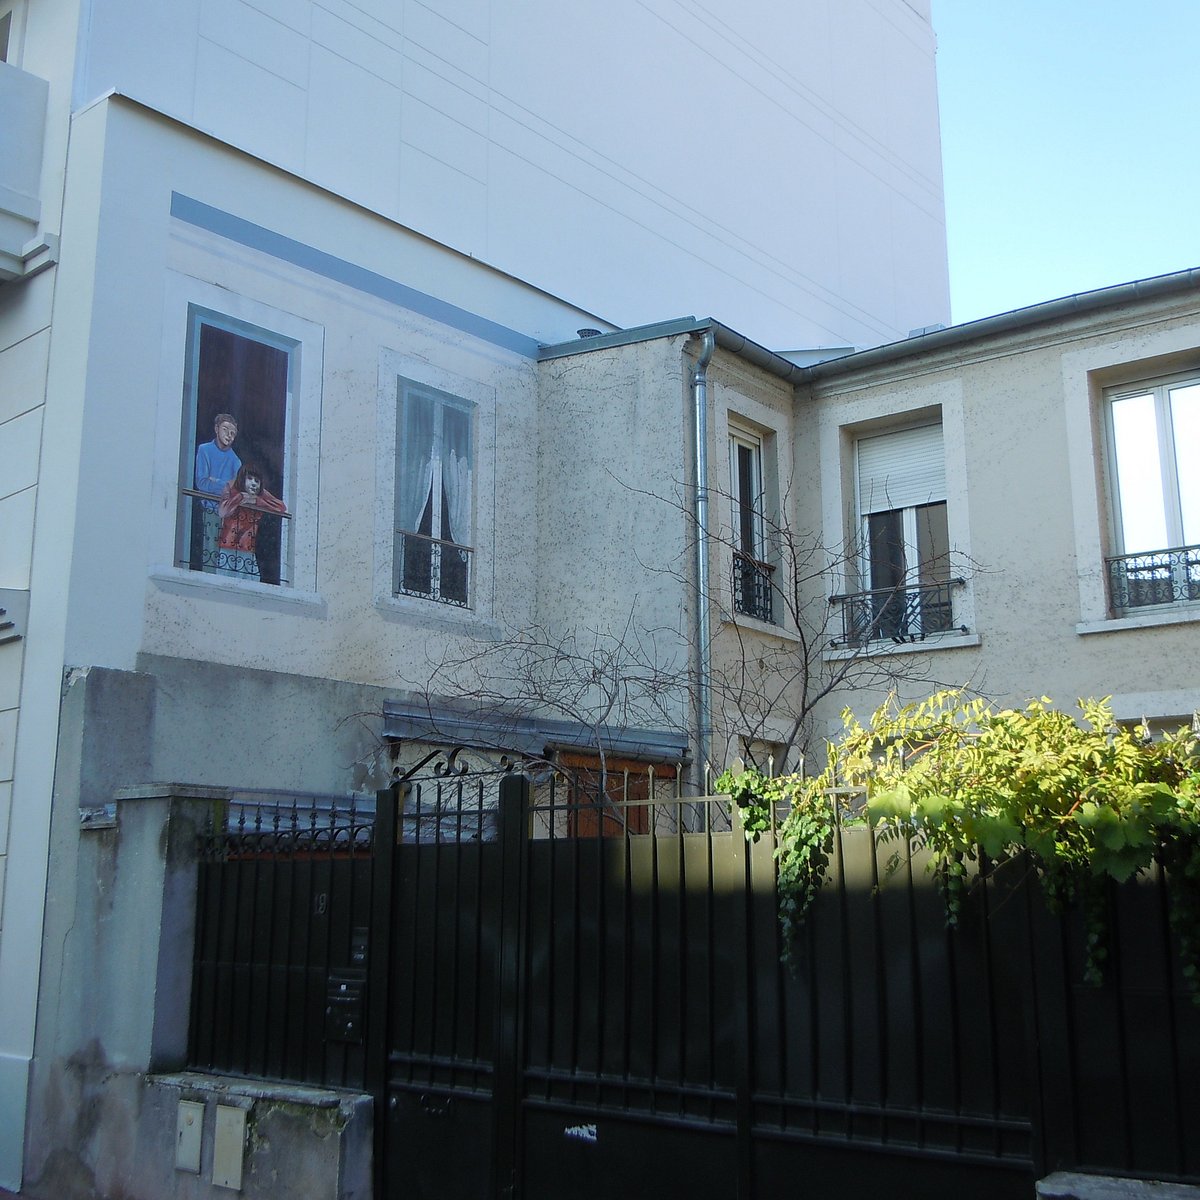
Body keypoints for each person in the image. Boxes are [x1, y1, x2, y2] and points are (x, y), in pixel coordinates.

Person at [217, 463, 287, 580]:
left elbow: (281, 507)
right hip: (228, 546)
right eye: (249, 479)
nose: (254, 483)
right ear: (241, 479)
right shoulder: (230, 486)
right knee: (225, 579)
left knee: (249, 580)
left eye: (257, 481)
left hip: (247, 548)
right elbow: (222, 511)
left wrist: (257, 501)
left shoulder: (261, 494)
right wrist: (240, 498)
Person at [193, 414, 241, 570]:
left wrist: (215, 481)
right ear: (216, 429)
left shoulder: (236, 461)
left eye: (232, 433)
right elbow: (202, 483)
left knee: (227, 552)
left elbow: (237, 490)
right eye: (225, 429)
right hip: (208, 510)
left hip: (229, 513)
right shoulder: (205, 450)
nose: (229, 435)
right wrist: (225, 485)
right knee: (210, 550)